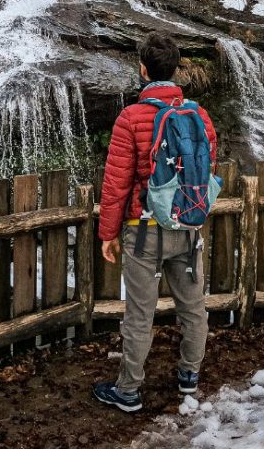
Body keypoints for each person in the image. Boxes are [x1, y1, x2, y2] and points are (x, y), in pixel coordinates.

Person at [92, 32, 217, 412]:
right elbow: (204, 167)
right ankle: (188, 377)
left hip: (143, 230)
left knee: (140, 314)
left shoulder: (130, 118)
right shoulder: (199, 115)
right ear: (176, 70)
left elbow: (116, 182)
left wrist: (108, 233)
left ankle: (128, 391)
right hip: (187, 226)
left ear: (143, 70)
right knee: (193, 308)